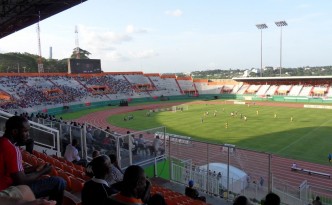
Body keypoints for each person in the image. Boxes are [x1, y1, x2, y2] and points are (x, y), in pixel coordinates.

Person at [0, 116, 66, 205]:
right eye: (25, 131)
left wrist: (34, 168)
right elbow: (21, 181)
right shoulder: (12, 149)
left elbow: (12, 172)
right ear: (15, 132)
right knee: (59, 182)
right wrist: (43, 171)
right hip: (6, 191)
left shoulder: (2, 142)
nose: (28, 134)